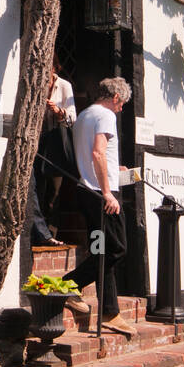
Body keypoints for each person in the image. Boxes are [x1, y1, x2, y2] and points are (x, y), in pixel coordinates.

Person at [62, 77, 134, 337]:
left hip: (85, 190)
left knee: (101, 252)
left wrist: (115, 170)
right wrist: (107, 193)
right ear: (115, 98)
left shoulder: (84, 115)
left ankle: (110, 312)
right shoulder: (106, 115)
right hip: (100, 195)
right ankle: (68, 285)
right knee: (117, 249)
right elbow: (97, 153)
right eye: (122, 103)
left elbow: (89, 155)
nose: (122, 108)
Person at [30, 61, 76, 247]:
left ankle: (52, 232)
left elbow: (73, 117)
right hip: (37, 142)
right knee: (37, 188)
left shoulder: (64, 86)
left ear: (54, 68)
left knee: (54, 192)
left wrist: (59, 111)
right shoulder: (35, 82)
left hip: (55, 142)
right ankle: (40, 235)